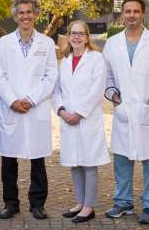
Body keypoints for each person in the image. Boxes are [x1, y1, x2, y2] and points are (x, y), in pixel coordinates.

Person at [103, 0, 149, 224]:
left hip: (147, 112)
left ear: (142, 14)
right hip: (124, 112)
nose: (131, 15)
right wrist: (116, 99)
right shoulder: (112, 43)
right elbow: (107, 77)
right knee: (122, 161)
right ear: (122, 14)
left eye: (136, 11)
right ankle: (123, 203)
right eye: (128, 11)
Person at [0, 0, 58, 220]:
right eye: (21, 13)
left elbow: (51, 77)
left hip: (35, 108)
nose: (25, 16)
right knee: (8, 160)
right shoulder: (3, 44)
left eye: (29, 12)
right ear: (15, 16)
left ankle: (37, 204)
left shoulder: (47, 44)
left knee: (37, 160)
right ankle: (11, 204)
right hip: (11, 108)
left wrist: (30, 99)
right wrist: (12, 100)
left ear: (36, 15)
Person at [52, 20, 110, 223]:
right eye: (73, 33)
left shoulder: (96, 59)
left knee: (89, 164)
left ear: (87, 37)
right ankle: (79, 202)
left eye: (80, 33)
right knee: (75, 164)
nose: (76, 37)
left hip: (86, 120)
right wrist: (61, 111)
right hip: (67, 120)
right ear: (68, 36)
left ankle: (89, 207)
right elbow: (56, 89)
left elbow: (97, 90)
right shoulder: (65, 60)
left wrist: (78, 113)